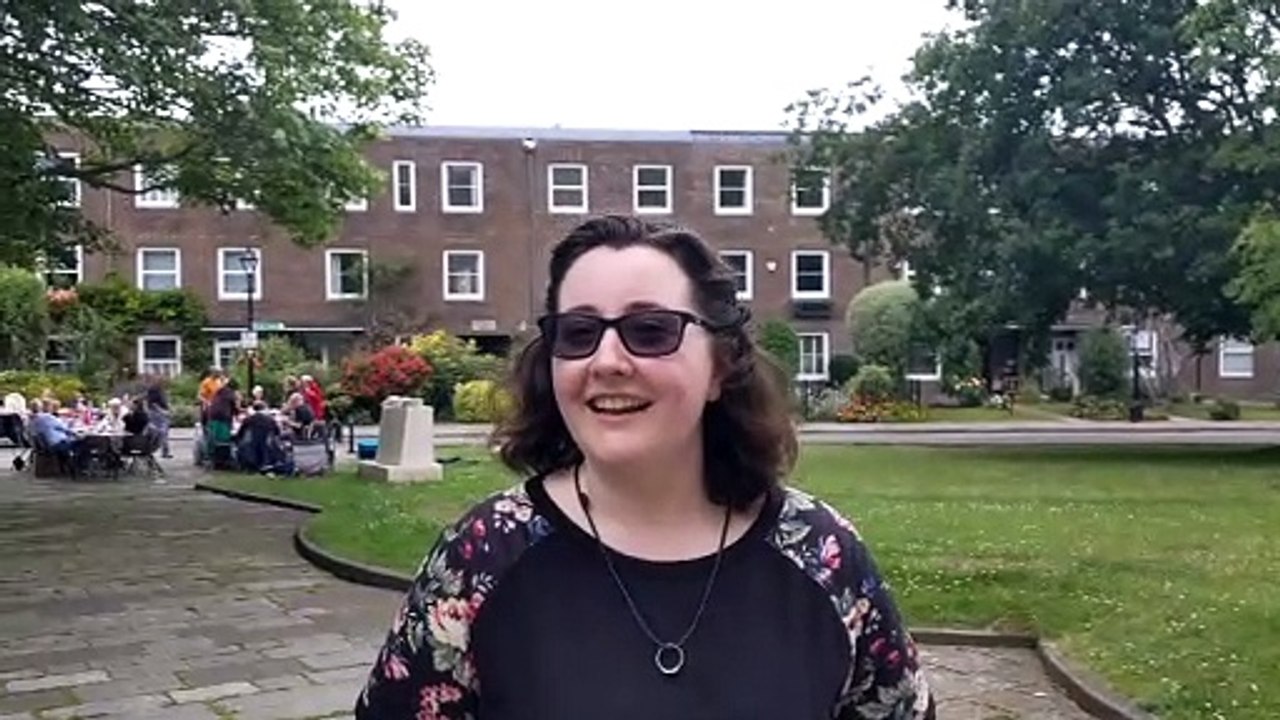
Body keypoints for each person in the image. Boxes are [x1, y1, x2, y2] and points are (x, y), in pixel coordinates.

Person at [355, 216, 935, 719]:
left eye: (650, 330)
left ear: (719, 367)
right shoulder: (479, 561)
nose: (607, 361)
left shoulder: (822, 556)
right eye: (578, 333)